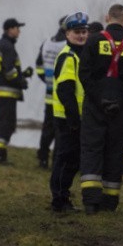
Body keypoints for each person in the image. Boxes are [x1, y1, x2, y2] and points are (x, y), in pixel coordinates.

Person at [78, 4, 123, 215]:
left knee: (91, 149)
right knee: (115, 152)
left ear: (107, 17)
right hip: (121, 108)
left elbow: (84, 74)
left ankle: (90, 201)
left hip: (95, 106)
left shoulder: (94, 40)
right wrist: (122, 100)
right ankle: (110, 202)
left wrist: (99, 99)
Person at [50, 12, 90, 212]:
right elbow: (65, 90)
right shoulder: (68, 56)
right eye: (77, 32)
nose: (81, 36)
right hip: (68, 119)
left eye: (84, 32)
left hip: (76, 118)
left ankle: (62, 197)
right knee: (66, 160)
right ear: (67, 34)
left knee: (71, 160)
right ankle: (59, 199)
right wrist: (74, 119)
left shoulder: (79, 55)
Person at [0, 18, 32, 163]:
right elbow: (10, 72)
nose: (19, 31)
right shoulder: (8, 47)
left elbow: (2, 70)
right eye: (17, 28)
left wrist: (23, 74)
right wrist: (22, 81)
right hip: (7, 92)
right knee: (6, 124)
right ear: (9, 29)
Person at [35, 16, 68, 169]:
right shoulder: (67, 44)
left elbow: (39, 67)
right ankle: (56, 162)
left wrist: (48, 81)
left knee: (47, 128)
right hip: (63, 94)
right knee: (61, 130)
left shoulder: (46, 43)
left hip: (49, 92)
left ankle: (42, 158)